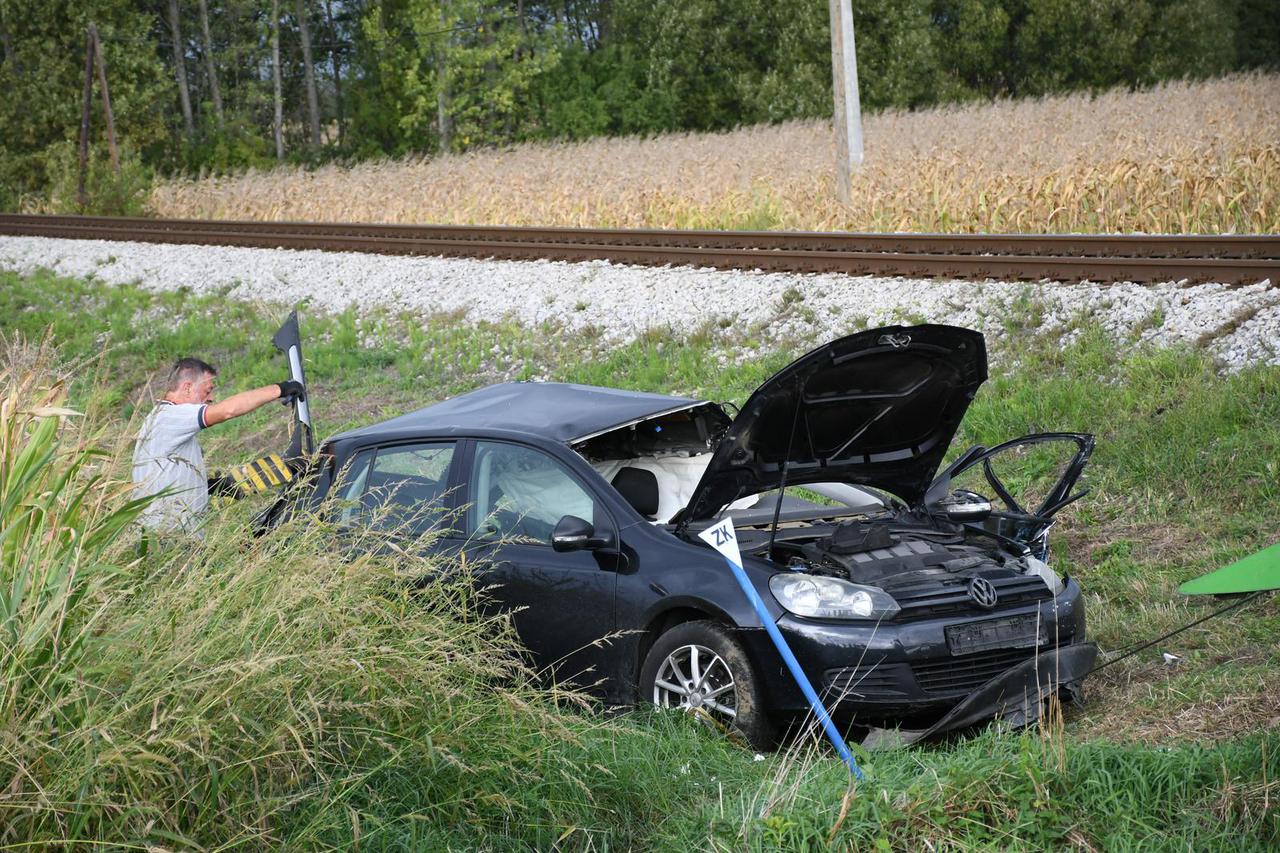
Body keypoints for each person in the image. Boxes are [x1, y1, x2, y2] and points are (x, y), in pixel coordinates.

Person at [131, 357, 304, 534]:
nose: (211, 398)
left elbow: (164, 473)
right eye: (207, 391)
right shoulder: (170, 416)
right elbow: (227, 411)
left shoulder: (165, 419)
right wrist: (280, 389)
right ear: (187, 387)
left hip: (170, 536)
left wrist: (208, 485)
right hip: (166, 536)